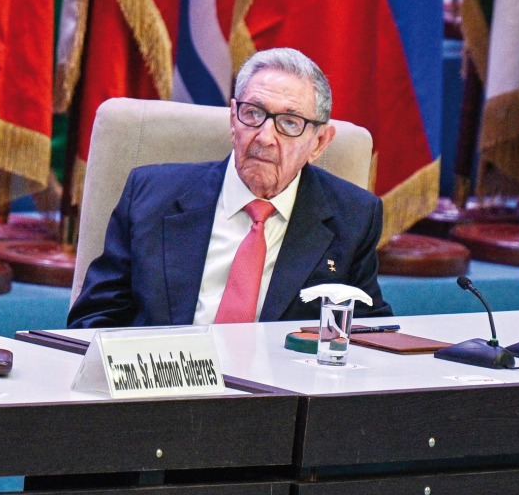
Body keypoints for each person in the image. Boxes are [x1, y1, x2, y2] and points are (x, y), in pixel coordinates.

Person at [69, 47, 391, 328]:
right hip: (161, 388)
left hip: (280, 394)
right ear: (233, 119)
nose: (265, 137)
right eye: (253, 113)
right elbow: (93, 319)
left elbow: (368, 337)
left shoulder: (353, 217)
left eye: (290, 123)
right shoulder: (150, 197)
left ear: (319, 142)